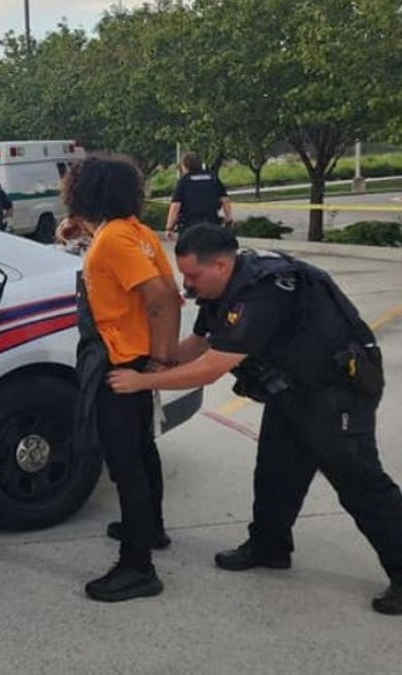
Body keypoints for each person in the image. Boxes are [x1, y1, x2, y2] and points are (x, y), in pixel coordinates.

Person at [109, 225, 402, 615]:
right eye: (184, 274)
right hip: (293, 389)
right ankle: (269, 547)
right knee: (275, 471)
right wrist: (155, 360)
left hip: (336, 390)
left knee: (360, 483)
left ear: (221, 263)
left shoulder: (261, 291)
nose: (188, 283)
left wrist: (142, 381)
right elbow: (198, 345)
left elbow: (212, 367)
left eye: (193, 275)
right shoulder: (220, 290)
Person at [62, 156, 183, 602]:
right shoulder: (136, 231)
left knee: (124, 463)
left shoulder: (113, 240)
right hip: (135, 357)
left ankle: (138, 567)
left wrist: (161, 363)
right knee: (142, 450)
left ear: (84, 192)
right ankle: (151, 529)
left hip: (120, 362)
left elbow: (163, 299)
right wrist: (81, 230)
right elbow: (161, 290)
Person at [165, 153, 234, 238]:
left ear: (185, 166)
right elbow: (225, 200)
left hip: (189, 226)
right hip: (211, 224)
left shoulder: (184, 181)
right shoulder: (213, 178)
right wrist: (229, 219)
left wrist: (169, 227)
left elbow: (175, 206)